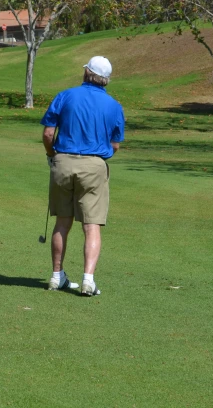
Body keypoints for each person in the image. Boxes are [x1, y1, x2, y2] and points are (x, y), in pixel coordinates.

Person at [40, 56, 125, 297]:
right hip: (95, 165)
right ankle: (88, 280)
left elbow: (48, 134)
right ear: (106, 79)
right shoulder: (114, 105)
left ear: (87, 72)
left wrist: (51, 154)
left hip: (63, 162)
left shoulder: (65, 95)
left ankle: (57, 276)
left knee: (62, 222)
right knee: (92, 226)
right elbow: (115, 145)